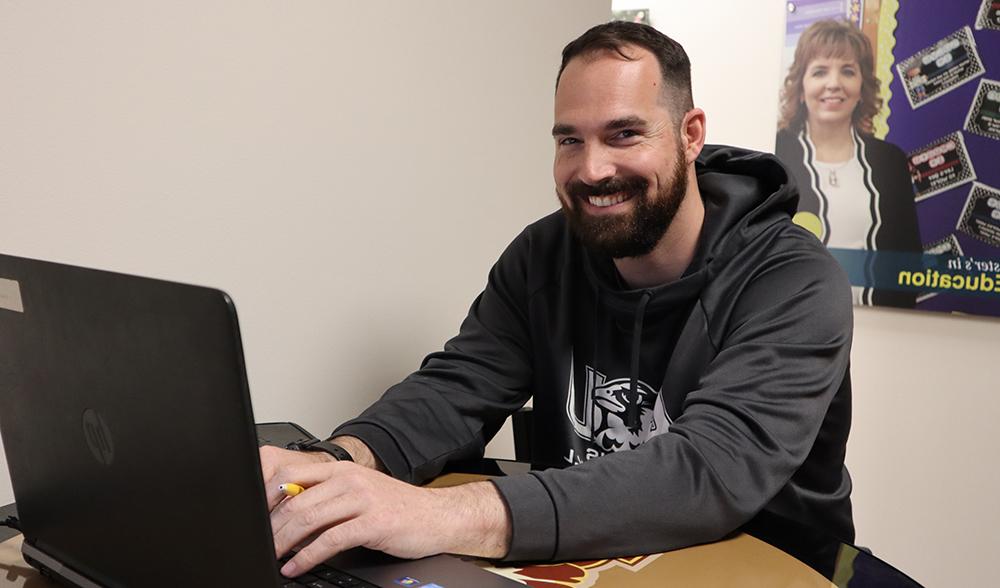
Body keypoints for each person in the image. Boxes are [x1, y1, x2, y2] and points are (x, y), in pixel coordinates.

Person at [262, 21, 855, 578]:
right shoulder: (545, 253)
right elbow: (456, 389)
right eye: (570, 139)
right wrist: (336, 462)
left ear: (689, 133)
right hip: (585, 562)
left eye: (623, 134)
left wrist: (439, 515)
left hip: (768, 569)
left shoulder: (794, 280)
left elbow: (710, 470)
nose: (592, 169)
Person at [775, 19, 922, 308]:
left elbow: (909, 262)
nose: (834, 84)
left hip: (883, 329)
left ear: (861, 85)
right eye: (819, 71)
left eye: (847, 71)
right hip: (791, 330)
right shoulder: (775, 153)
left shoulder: (889, 162)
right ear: (801, 87)